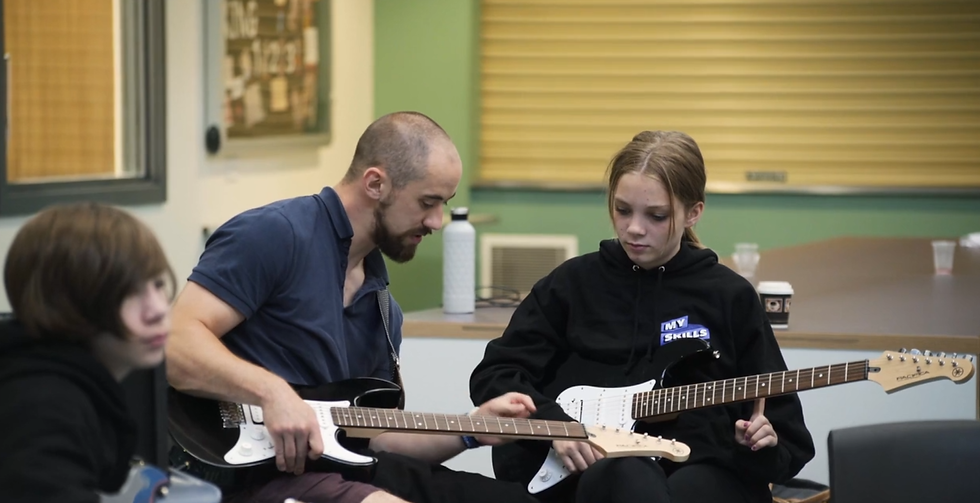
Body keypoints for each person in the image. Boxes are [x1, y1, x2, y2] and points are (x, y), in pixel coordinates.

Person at [165, 111, 541, 503]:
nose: (436, 221)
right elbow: (175, 343)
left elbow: (376, 436)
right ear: (375, 183)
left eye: (443, 204)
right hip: (253, 474)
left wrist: (470, 429)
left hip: (345, 468)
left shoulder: (383, 307)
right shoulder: (275, 235)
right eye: (427, 202)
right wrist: (272, 393)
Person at [470, 130, 816, 503]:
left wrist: (762, 442)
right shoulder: (571, 285)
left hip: (700, 476)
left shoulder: (730, 297)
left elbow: (788, 438)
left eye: (656, 215)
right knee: (624, 473)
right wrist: (555, 425)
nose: (634, 228)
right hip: (582, 475)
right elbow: (496, 374)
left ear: (693, 213)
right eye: (622, 210)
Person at [0, 202, 175, 502]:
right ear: (66, 304)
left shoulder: (62, 382)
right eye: (130, 292)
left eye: (157, 284)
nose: (159, 309)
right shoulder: (43, 409)